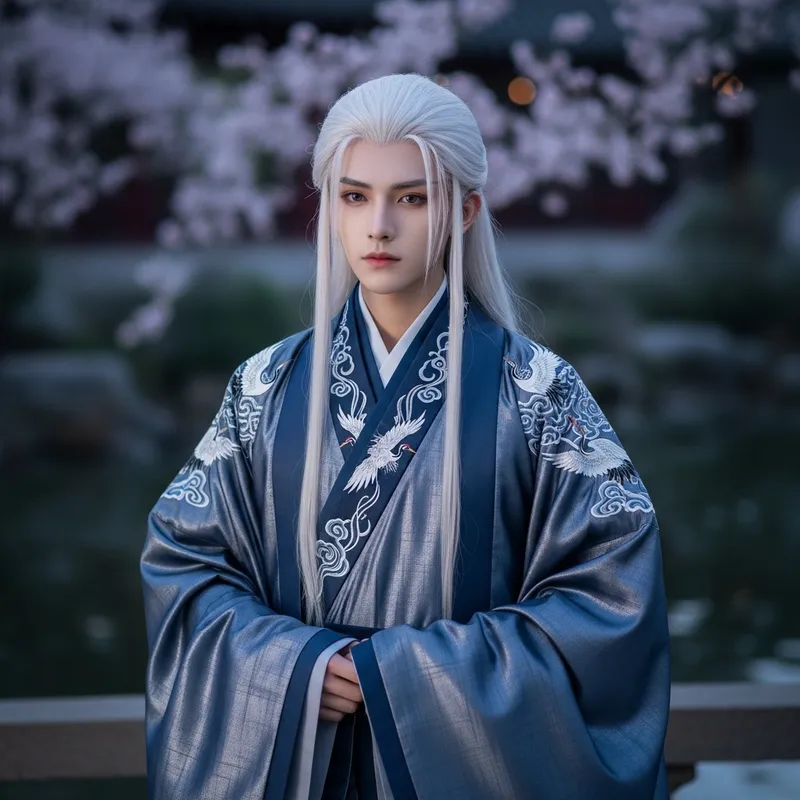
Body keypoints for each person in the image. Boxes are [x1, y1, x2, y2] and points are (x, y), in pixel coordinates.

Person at [140, 73, 671, 799]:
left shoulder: (539, 392)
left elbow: (612, 597)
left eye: (411, 198)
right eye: (354, 196)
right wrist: (290, 668)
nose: (378, 226)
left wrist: (402, 680)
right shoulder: (262, 387)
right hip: (305, 761)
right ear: (329, 208)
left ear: (465, 210)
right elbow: (183, 566)